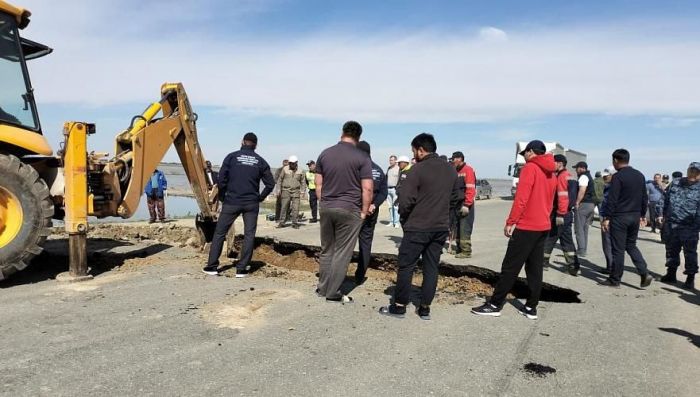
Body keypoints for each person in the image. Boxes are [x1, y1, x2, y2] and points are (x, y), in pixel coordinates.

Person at [379, 133, 462, 320]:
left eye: (414, 151)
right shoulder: (450, 170)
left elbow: (406, 200)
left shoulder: (417, 170)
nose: (413, 154)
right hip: (440, 228)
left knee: (406, 265)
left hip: (417, 227)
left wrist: (405, 220)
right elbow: (456, 198)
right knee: (431, 267)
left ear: (421, 150)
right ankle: (424, 308)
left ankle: (399, 306)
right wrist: (445, 217)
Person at [471, 140, 557, 320]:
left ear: (532, 152)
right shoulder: (552, 172)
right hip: (543, 226)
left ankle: (495, 304)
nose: (524, 156)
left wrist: (511, 222)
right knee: (535, 269)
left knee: (510, 267)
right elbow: (550, 200)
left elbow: (521, 199)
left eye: (525, 153)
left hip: (527, 226)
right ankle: (531, 307)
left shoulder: (530, 169)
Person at [315, 121, 373, 303]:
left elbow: (318, 184)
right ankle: (333, 292)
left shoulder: (325, 153)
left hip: (327, 207)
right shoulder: (362, 157)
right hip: (350, 209)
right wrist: (364, 212)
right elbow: (368, 189)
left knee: (327, 250)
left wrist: (323, 203)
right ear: (359, 136)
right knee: (342, 252)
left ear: (342, 132)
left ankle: (322, 288)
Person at [203, 133, 275, 277]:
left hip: (231, 202)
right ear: (256, 145)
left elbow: (221, 179)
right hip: (251, 204)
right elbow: (270, 184)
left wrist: (223, 196)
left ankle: (212, 267)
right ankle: (242, 269)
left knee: (219, 233)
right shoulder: (260, 161)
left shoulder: (232, 157)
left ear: (242, 141)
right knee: (249, 235)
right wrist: (259, 198)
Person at [600, 149, 653, 288]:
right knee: (631, 245)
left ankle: (614, 280)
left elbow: (612, 199)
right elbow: (644, 197)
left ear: (616, 160)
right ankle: (644, 272)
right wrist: (642, 215)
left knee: (617, 249)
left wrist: (606, 217)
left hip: (620, 217)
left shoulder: (618, 177)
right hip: (634, 216)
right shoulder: (640, 175)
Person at [657, 162, 700, 290]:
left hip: (690, 227)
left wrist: (696, 226)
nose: (693, 174)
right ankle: (671, 274)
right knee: (671, 249)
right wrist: (660, 214)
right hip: (671, 224)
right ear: (687, 170)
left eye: (696, 172)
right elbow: (664, 199)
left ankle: (690, 278)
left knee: (690, 253)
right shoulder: (675, 183)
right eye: (691, 170)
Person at [355, 141, 388, 285]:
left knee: (346, 243)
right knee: (366, 243)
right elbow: (384, 192)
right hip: (372, 211)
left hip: (356, 210)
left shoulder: (356, 169)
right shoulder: (379, 170)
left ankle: (338, 276)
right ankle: (360, 276)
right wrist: (374, 205)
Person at [543, 154, 579, 275]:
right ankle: (574, 267)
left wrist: (560, 214)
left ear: (559, 163)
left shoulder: (561, 177)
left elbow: (563, 197)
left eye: (554, 162)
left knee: (550, 238)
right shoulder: (570, 176)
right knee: (567, 241)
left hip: (561, 213)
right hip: (568, 214)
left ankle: (543, 263)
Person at [451, 151, 477, 259]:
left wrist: (467, 204)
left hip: (465, 203)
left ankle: (466, 251)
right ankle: (459, 248)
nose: (453, 161)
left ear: (460, 159)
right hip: (456, 203)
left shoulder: (468, 170)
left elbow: (471, 188)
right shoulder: (455, 171)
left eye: (454, 159)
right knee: (456, 226)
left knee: (464, 227)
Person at [573, 161, 596, 257]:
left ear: (582, 168)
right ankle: (584, 249)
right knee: (585, 228)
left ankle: (581, 250)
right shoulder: (589, 176)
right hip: (591, 205)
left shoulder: (583, 177)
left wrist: (577, 202)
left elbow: (582, 190)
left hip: (583, 204)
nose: (576, 170)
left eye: (577, 168)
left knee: (579, 228)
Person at [276, 155, 305, 229]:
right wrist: (278, 189)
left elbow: (303, 182)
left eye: (293, 163)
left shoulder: (301, 170)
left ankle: (294, 223)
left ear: (296, 162)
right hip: (286, 190)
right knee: (284, 207)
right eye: (290, 163)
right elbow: (280, 180)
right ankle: (282, 222)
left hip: (296, 191)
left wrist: (303, 191)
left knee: (296, 207)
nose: (291, 164)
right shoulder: (285, 169)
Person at [598, 167, 617, 274]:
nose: (604, 178)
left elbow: (610, 205)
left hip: (609, 219)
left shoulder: (612, 189)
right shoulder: (609, 187)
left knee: (608, 243)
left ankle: (611, 267)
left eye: (606, 176)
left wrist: (606, 219)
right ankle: (610, 266)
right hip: (610, 218)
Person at [385, 155, 400, 228]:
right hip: (388, 189)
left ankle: (396, 222)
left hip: (395, 190)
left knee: (395, 207)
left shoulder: (398, 169)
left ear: (395, 161)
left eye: (392, 160)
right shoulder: (389, 169)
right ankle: (391, 221)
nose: (390, 161)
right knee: (390, 207)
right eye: (390, 160)